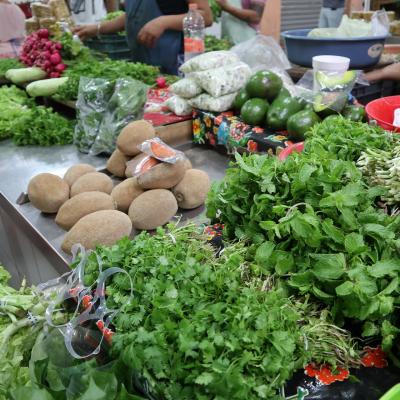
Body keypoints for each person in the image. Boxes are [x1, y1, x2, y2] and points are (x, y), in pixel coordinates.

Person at [74, 0, 213, 74]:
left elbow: (206, 16)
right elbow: (134, 15)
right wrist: (98, 28)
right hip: (146, 65)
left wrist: (163, 22)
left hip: (176, 66)